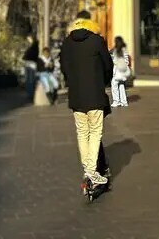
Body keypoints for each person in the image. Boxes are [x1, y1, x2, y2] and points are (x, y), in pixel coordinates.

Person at [59, 10, 112, 186]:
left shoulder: (67, 43)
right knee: (95, 132)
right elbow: (108, 65)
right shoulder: (97, 41)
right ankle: (92, 171)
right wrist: (103, 81)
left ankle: (87, 171)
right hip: (95, 94)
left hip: (76, 97)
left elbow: (64, 68)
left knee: (82, 133)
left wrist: (72, 83)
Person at [110, 36, 132, 108]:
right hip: (122, 70)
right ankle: (124, 102)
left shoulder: (116, 50)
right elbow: (126, 60)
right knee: (121, 85)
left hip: (118, 70)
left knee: (114, 84)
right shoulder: (124, 49)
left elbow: (115, 60)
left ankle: (116, 101)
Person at [22, 35, 40, 102]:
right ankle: (30, 94)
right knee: (30, 79)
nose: (28, 40)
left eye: (29, 39)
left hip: (31, 63)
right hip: (30, 63)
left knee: (30, 79)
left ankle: (31, 94)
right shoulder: (33, 46)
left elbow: (30, 54)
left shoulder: (34, 46)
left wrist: (25, 57)